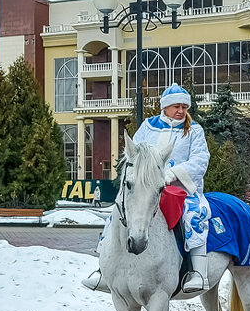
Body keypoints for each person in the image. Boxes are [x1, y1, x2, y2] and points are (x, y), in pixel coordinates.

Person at [82, 84, 212, 293]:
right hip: (147, 189)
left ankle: (197, 271)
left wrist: (173, 174)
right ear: (166, 107)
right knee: (118, 213)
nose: (181, 111)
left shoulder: (194, 130)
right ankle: (104, 270)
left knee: (194, 215)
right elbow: (134, 154)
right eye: (176, 106)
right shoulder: (148, 127)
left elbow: (200, 160)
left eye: (184, 107)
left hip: (181, 189)